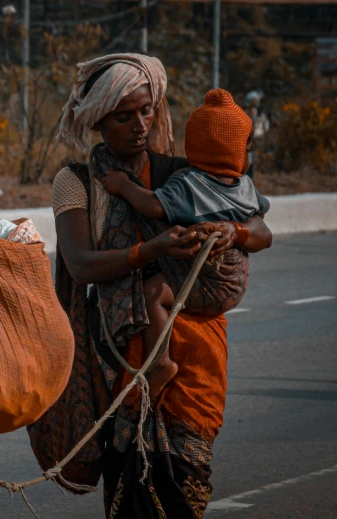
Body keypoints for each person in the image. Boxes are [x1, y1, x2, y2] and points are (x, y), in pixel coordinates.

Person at [27, 54, 272, 519]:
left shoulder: (186, 174)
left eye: (147, 111)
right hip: (124, 364)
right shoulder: (76, 183)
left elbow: (258, 229)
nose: (140, 125)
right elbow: (79, 265)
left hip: (196, 360)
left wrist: (231, 233)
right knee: (130, 493)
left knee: (185, 485)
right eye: (124, 116)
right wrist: (151, 250)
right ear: (98, 120)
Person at [99, 88, 270, 397]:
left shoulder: (188, 184)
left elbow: (152, 206)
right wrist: (239, 231)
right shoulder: (246, 187)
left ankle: (161, 362)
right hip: (236, 283)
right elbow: (265, 234)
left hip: (205, 283)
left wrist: (124, 185)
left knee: (153, 292)